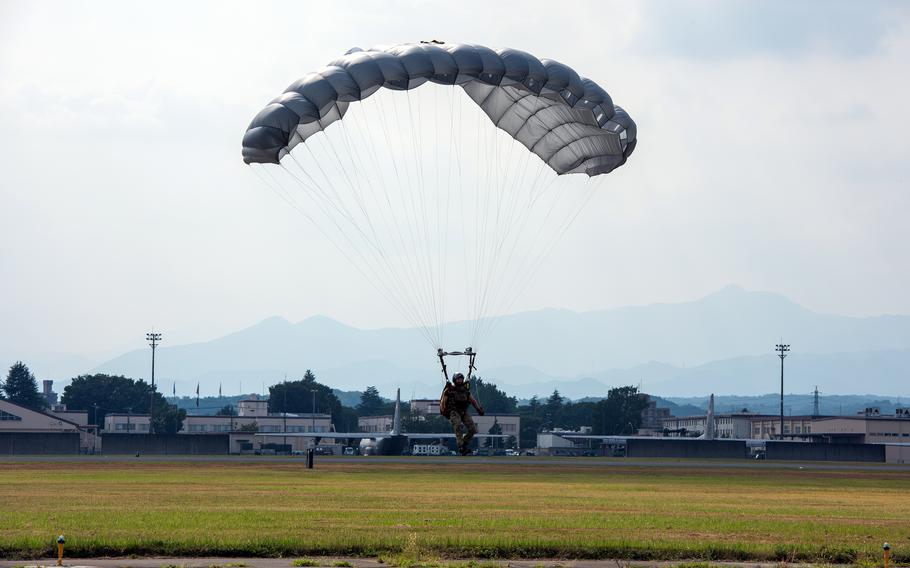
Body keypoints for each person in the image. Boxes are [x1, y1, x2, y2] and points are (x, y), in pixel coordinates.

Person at [440, 372, 484, 455]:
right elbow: (443, 401)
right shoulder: (449, 390)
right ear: (454, 380)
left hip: (464, 412)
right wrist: (443, 411)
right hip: (454, 412)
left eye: (461, 379)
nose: (460, 381)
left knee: (473, 429)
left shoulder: (465, 391)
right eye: (458, 379)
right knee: (458, 425)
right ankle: (461, 446)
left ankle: (464, 444)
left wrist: (479, 410)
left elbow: (473, 401)